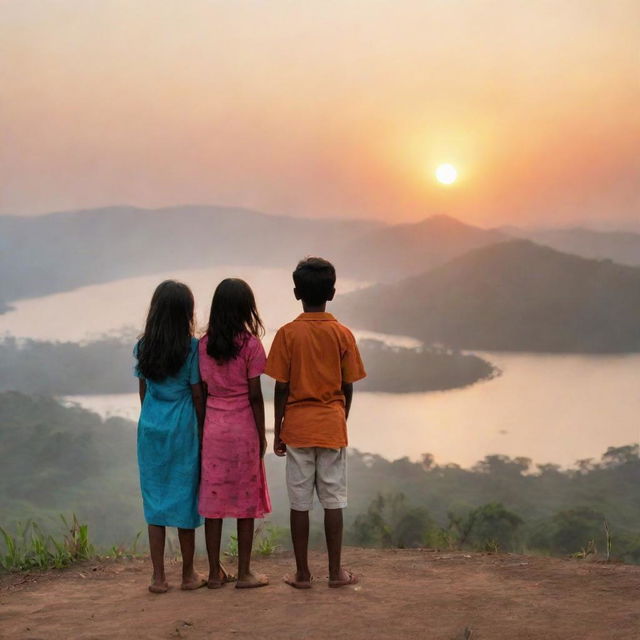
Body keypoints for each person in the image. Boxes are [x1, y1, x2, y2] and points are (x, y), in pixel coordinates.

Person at [265, 257, 366, 588]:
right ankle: (336, 573)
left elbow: (281, 386)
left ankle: (303, 573)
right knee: (334, 500)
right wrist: (341, 418)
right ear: (332, 293)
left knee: (299, 503)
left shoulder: (288, 334)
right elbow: (347, 385)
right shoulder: (343, 334)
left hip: (297, 427)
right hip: (331, 426)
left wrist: (279, 427)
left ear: (296, 293)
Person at [198, 278, 271, 589]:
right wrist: (263, 433)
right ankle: (244, 573)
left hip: (213, 428)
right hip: (243, 430)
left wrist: (204, 429)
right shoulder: (251, 345)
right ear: (246, 309)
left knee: (213, 503)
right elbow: (255, 395)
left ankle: (215, 573)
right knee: (245, 503)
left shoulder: (203, 345)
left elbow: (201, 392)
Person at [134, 280, 205, 594]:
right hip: (182, 427)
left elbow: (143, 392)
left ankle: (158, 577)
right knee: (185, 499)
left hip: (151, 426)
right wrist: (203, 428)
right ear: (186, 313)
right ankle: (188, 575)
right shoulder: (191, 348)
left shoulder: (143, 346)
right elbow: (197, 393)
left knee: (155, 503)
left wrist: (152, 419)